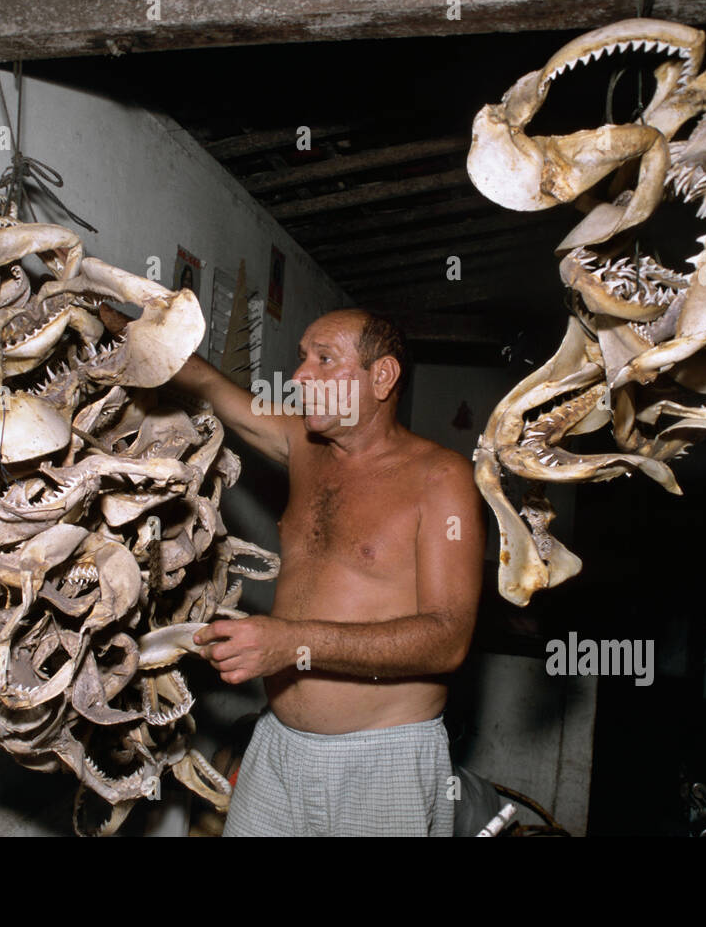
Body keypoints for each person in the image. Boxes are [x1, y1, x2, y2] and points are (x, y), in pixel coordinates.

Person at [100, 304, 485, 836]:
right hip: (278, 746)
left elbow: (448, 639)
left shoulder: (441, 478)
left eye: (325, 360)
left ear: (383, 376)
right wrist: (113, 318)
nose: (301, 376)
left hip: (383, 762)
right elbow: (208, 383)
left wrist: (290, 643)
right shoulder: (304, 447)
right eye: (303, 358)